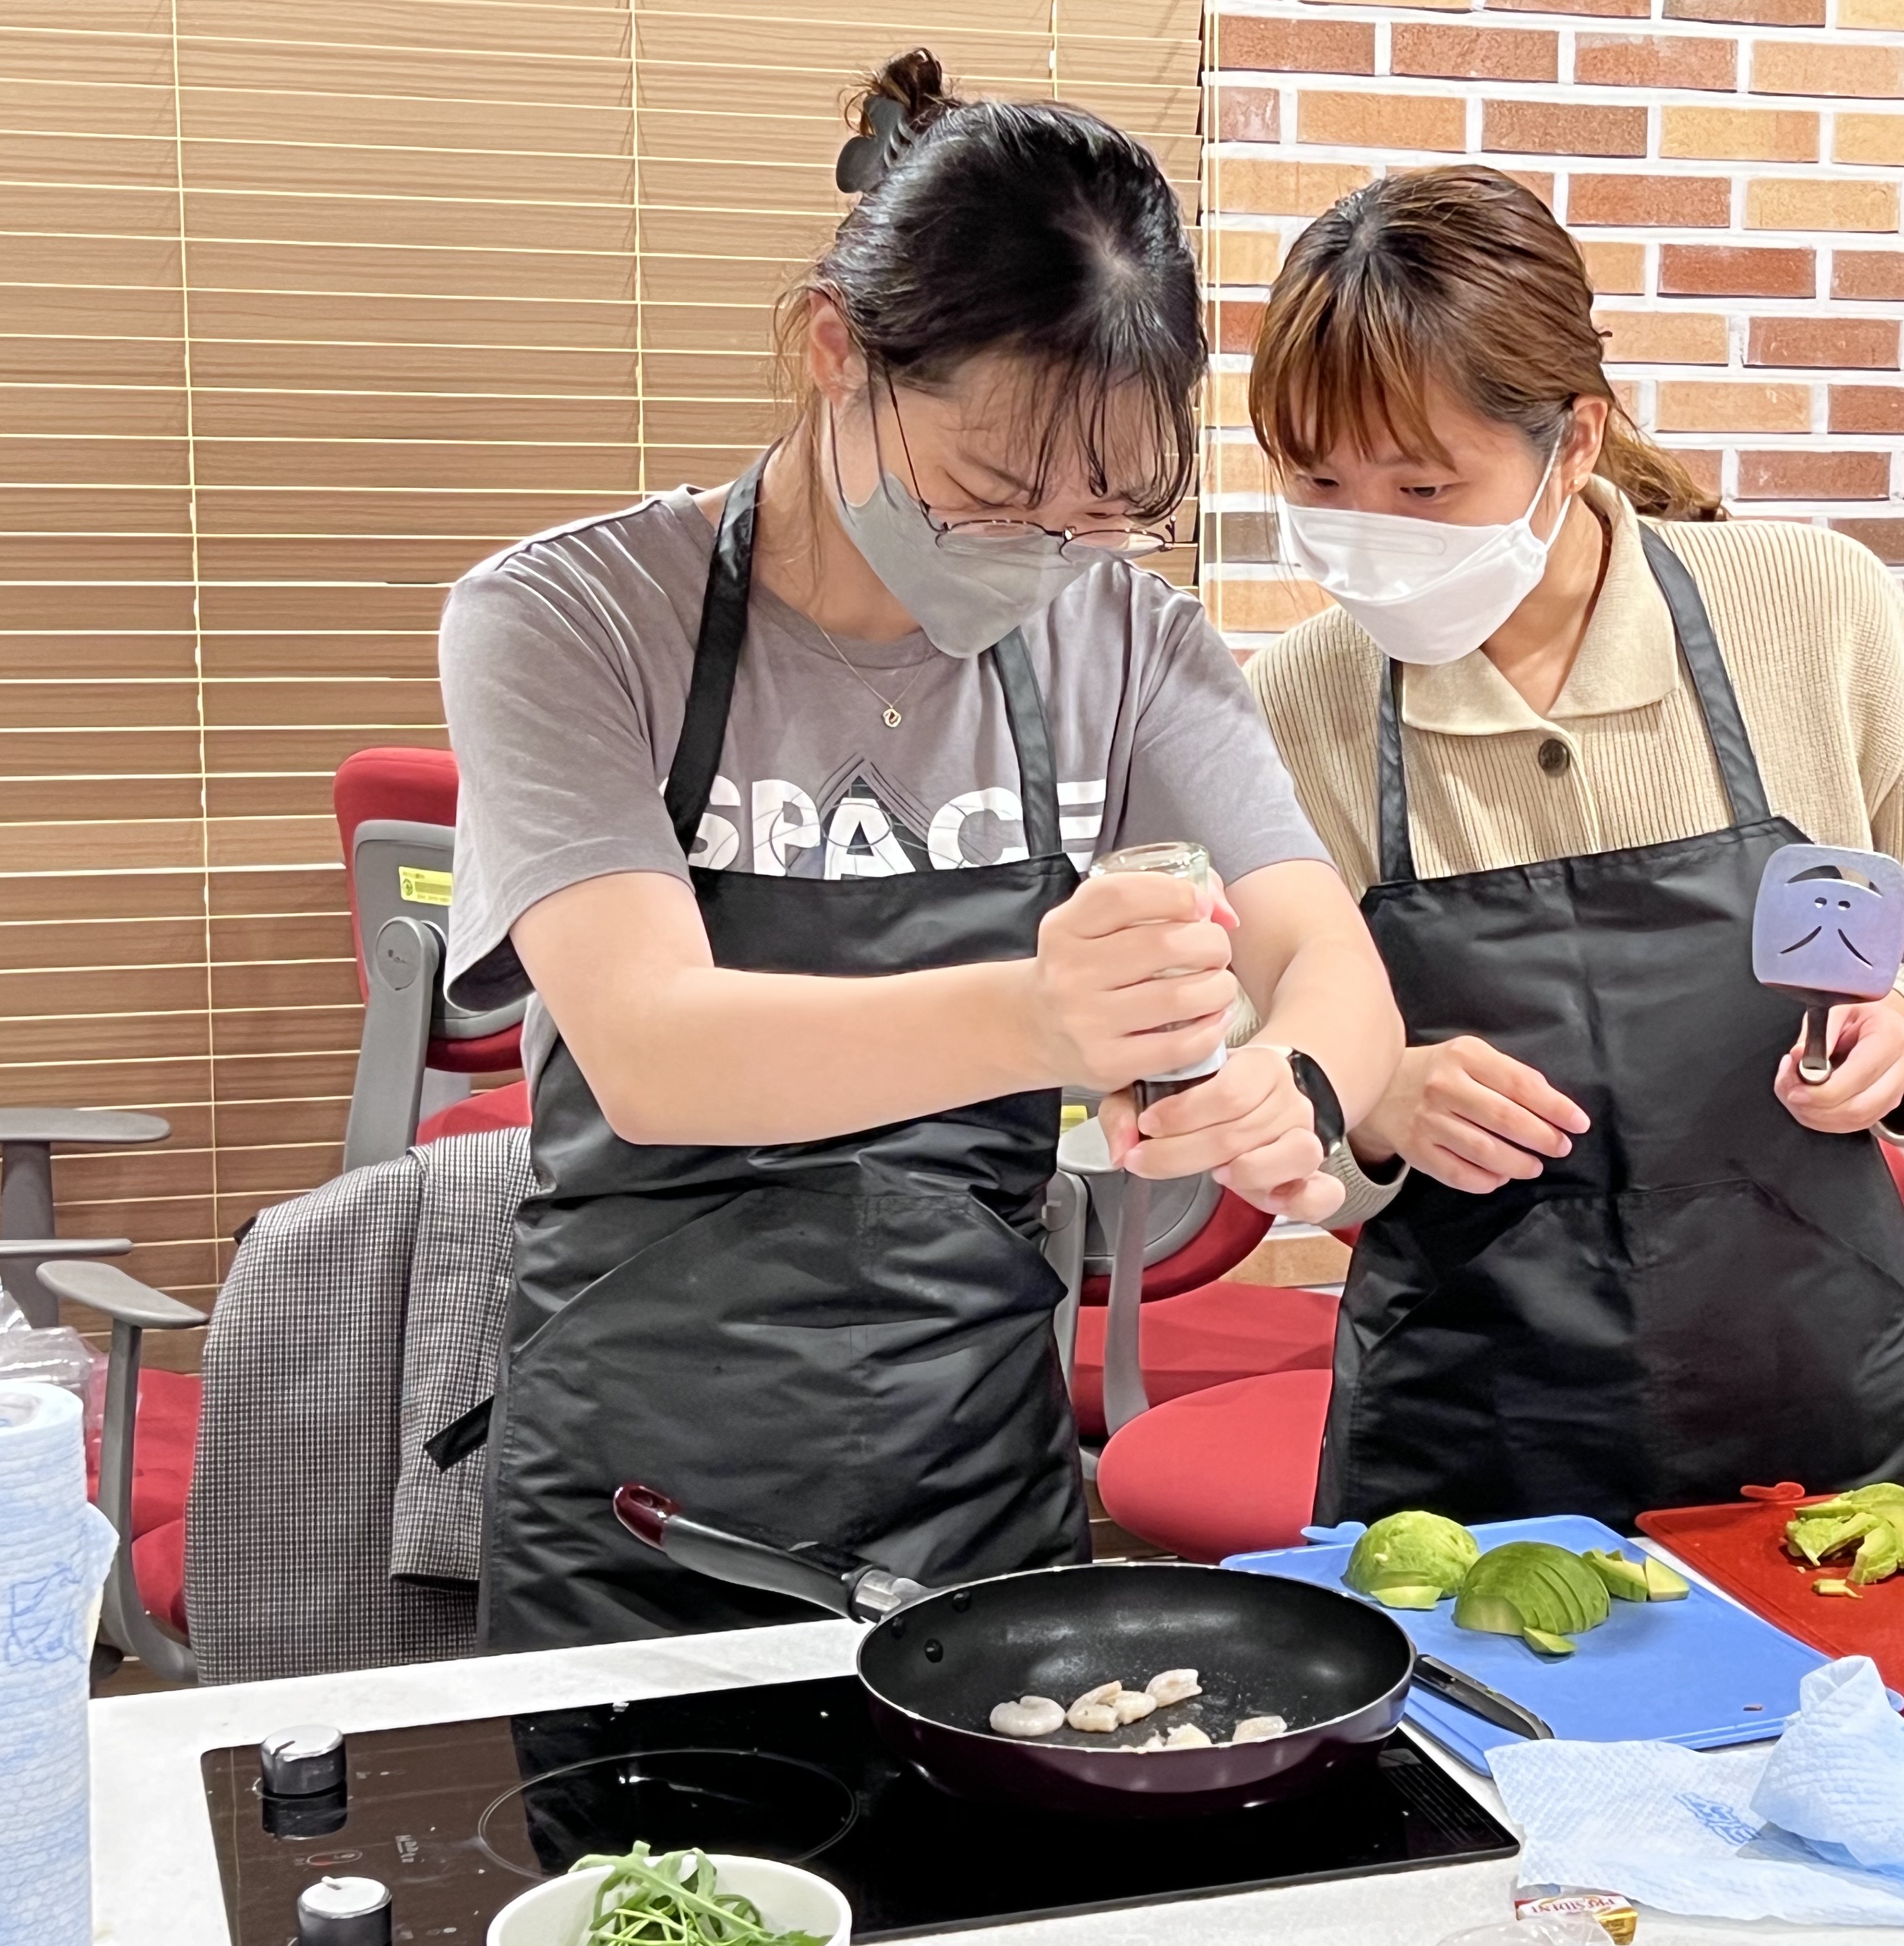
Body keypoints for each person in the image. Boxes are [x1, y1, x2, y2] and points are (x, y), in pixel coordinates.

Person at [438, 52, 1401, 1649]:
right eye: (990, 492)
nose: (1041, 554)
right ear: (838, 349)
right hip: (637, 1498)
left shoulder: (1130, 646)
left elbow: (1328, 960)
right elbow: (654, 1052)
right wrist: (1038, 1016)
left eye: (1104, 510)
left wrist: (1288, 1086)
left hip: (978, 1486)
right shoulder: (572, 619)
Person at [1245, 165, 1904, 1529]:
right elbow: (1264, 1074)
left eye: (1425, 485)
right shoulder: (1296, 704)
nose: (1372, 537)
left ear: (1574, 442)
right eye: (1320, 483)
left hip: (1810, 1391)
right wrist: (1373, 1095)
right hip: (1466, 1422)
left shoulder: (1816, 611)